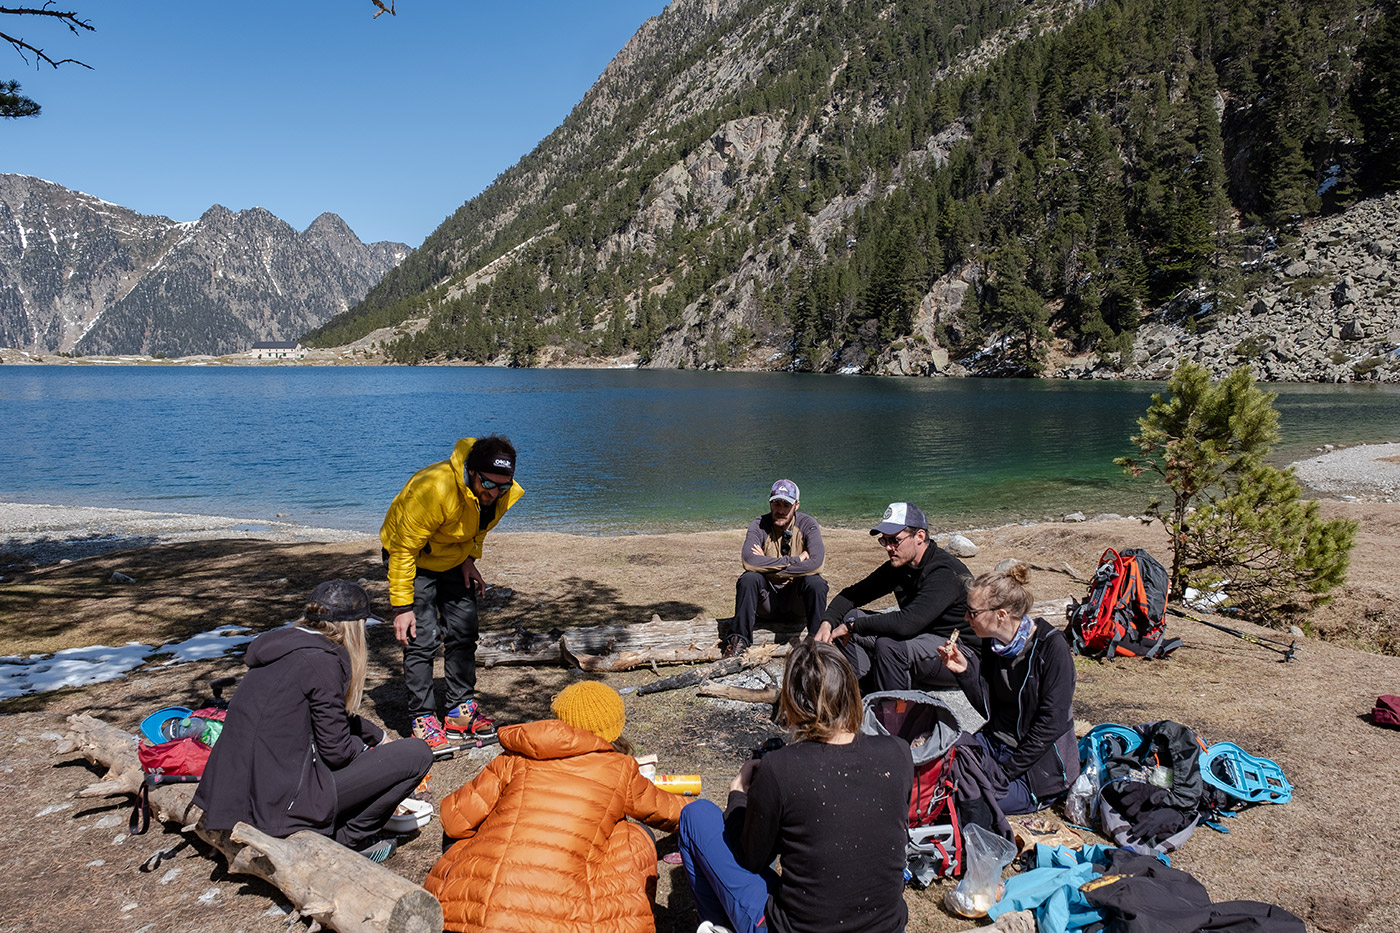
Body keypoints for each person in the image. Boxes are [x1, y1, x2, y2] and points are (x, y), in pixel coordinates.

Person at [677, 640, 913, 933]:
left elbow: (752, 858)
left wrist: (738, 796)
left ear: (794, 701)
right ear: (851, 691)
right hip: (886, 927)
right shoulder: (899, 752)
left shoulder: (781, 768)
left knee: (695, 815)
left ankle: (719, 926)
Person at [193, 580, 433, 863]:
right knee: (417, 754)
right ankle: (348, 839)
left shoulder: (284, 648)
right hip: (279, 803)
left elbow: (328, 715)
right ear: (352, 626)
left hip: (238, 795)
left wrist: (378, 736)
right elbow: (337, 751)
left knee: (387, 754)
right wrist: (373, 753)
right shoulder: (323, 661)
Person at [426, 681, 688, 933]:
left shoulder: (517, 756)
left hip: (472, 910)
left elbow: (453, 820)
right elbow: (671, 811)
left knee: (480, 824)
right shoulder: (619, 768)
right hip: (563, 915)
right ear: (614, 728)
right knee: (632, 834)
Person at [380, 435, 523, 747]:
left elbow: (479, 527)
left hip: (453, 558)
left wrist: (469, 560)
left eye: (503, 486)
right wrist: (402, 607)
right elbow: (403, 550)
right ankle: (423, 718)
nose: (494, 492)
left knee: (464, 630)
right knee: (422, 637)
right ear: (471, 471)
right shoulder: (433, 488)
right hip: (413, 557)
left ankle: (460, 713)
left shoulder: (500, 494)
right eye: (488, 483)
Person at [937, 564, 1080, 814]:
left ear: (1001, 615)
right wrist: (964, 672)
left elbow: (1051, 724)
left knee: (962, 801)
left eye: (972, 612)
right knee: (937, 770)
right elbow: (990, 707)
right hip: (995, 745)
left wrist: (1005, 772)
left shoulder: (1052, 648)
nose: (966, 619)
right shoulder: (992, 645)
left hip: (1034, 769)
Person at [815, 501, 975, 693]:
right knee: (850, 615)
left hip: (958, 653)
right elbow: (852, 595)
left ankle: (894, 713)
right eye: (885, 541)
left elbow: (908, 623)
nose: (889, 548)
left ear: (919, 536)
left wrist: (852, 627)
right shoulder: (901, 566)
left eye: (895, 540)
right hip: (922, 639)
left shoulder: (944, 572)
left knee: (888, 646)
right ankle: (858, 689)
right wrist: (827, 622)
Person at [726, 478, 829, 657]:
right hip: (767, 601)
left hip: (797, 601)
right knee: (749, 578)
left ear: (796, 505)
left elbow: (817, 564)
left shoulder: (808, 525)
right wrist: (797, 560)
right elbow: (749, 562)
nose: (780, 510)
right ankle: (739, 640)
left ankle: (816, 643)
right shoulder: (759, 525)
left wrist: (765, 563)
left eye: (786, 505)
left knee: (816, 583)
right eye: (776, 504)